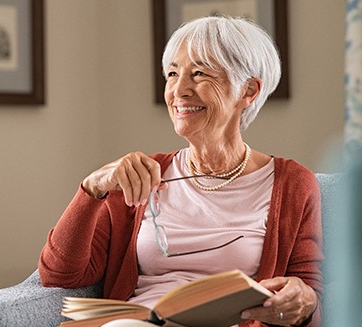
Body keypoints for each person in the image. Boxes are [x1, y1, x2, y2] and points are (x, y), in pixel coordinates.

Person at [39, 16, 323, 327]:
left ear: (248, 91)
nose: (179, 90)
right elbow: (59, 275)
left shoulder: (292, 184)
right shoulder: (140, 176)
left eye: (199, 74)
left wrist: (304, 302)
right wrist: (92, 189)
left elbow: (309, 299)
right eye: (173, 73)